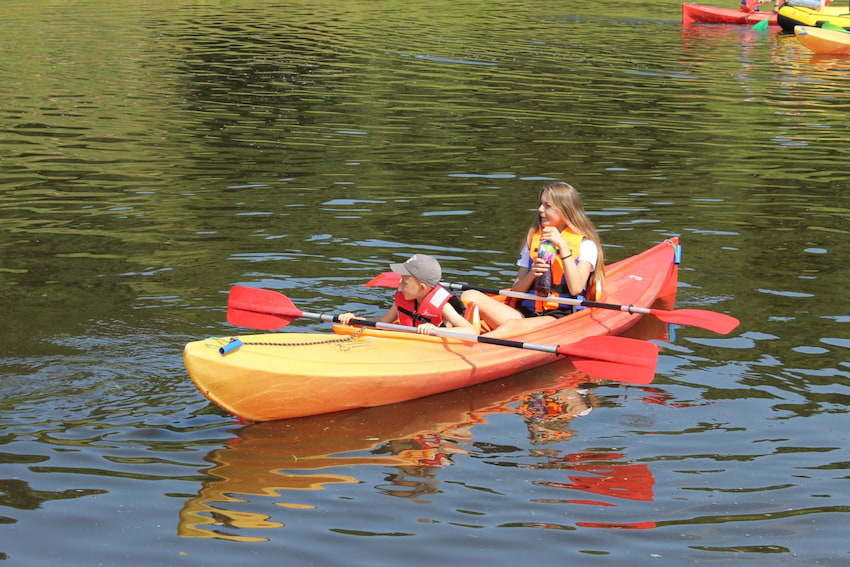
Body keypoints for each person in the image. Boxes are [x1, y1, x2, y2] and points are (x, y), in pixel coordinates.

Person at [461, 181, 605, 334]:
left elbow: (576, 289)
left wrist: (563, 247)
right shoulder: (533, 239)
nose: (540, 209)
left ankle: (476, 346)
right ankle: (464, 330)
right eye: (541, 204)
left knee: (511, 327)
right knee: (469, 296)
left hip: (559, 316)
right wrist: (532, 274)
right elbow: (516, 290)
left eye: (547, 206)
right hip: (526, 312)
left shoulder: (586, 245)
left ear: (566, 210)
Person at [339, 253, 478, 336]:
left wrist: (435, 329)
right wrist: (354, 320)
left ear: (422, 287)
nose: (399, 287)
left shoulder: (443, 306)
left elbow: (470, 331)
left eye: (404, 283)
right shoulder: (402, 299)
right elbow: (381, 322)